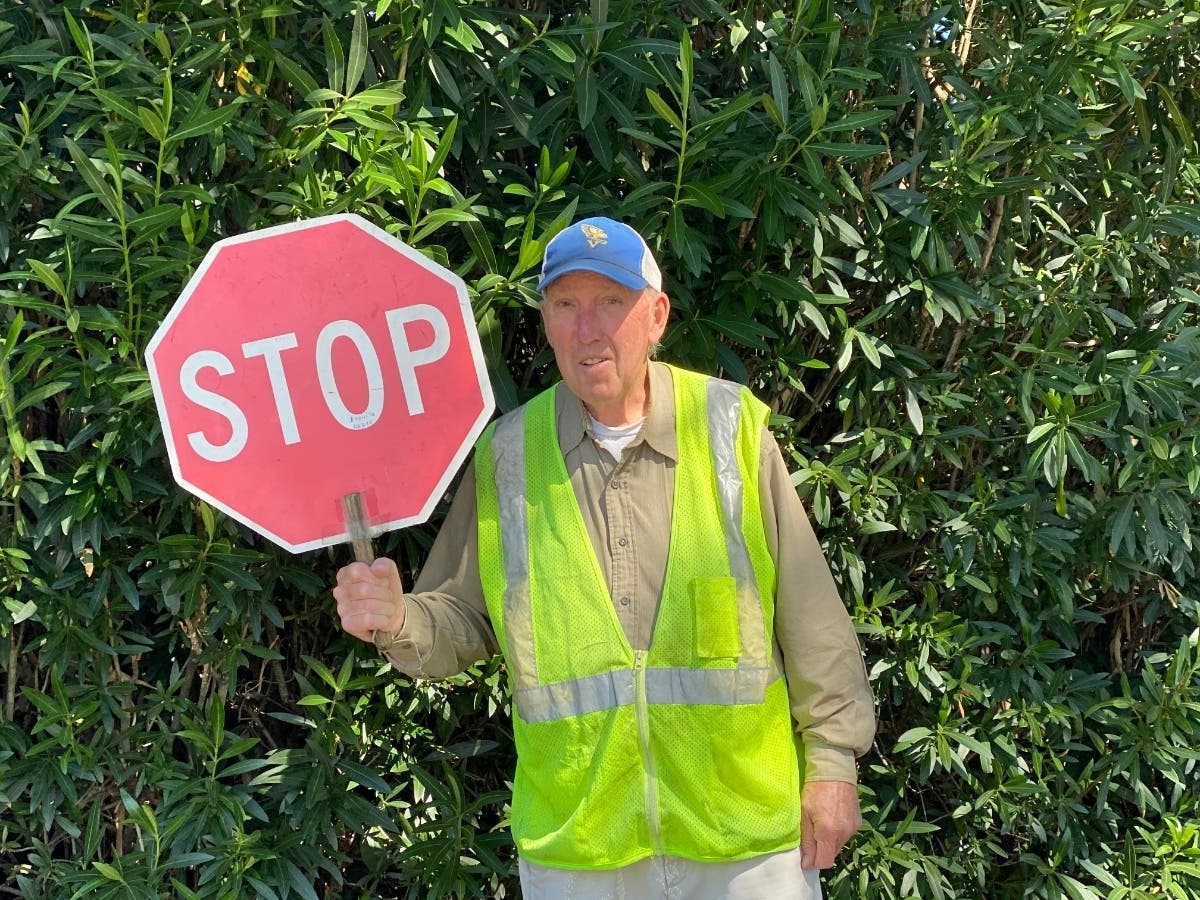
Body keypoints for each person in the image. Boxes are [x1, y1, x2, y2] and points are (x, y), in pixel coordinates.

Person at [333, 216, 876, 899]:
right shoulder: (508, 454)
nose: (588, 328)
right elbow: (461, 619)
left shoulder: (729, 426)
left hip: (745, 845)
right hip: (583, 849)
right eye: (566, 305)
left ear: (656, 315)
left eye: (611, 302)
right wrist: (396, 617)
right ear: (546, 321)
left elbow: (809, 612)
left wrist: (832, 763)